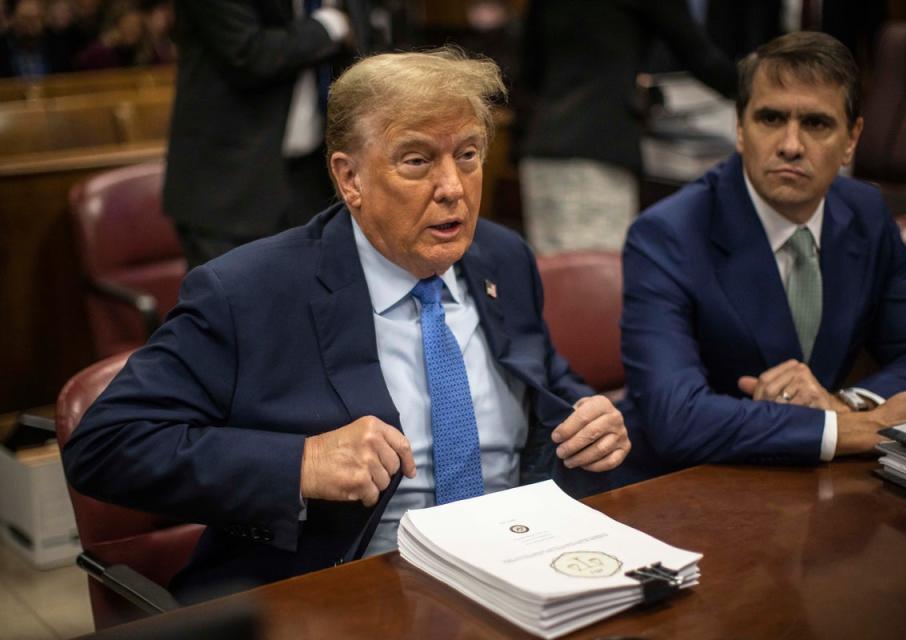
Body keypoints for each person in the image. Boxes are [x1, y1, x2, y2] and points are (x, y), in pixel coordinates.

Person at [62, 47, 630, 603]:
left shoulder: (502, 258)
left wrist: (585, 415)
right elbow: (105, 445)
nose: (453, 187)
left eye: (469, 154)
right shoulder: (249, 292)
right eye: (417, 160)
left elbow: (542, 377)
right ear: (349, 177)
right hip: (350, 583)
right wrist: (299, 464)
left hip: (519, 563)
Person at [616, 31, 906, 483]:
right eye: (771, 119)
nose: (791, 145)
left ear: (852, 138)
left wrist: (848, 403)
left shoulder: (866, 213)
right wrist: (847, 429)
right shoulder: (668, 234)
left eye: (816, 124)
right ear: (740, 129)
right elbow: (676, 417)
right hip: (689, 485)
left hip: (815, 485)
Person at [162, 0, 372, 269]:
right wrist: (329, 26)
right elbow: (250, 54)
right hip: (230, 186)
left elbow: (365, 46)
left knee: (319, 299)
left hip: (314, 177)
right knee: (236, 304)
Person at [517, 0, 738, 255]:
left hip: (542, 147)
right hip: (599, 151)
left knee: (550, 277)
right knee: (595, 280)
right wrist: (765, 88)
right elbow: (702, 58)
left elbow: (530, 71)